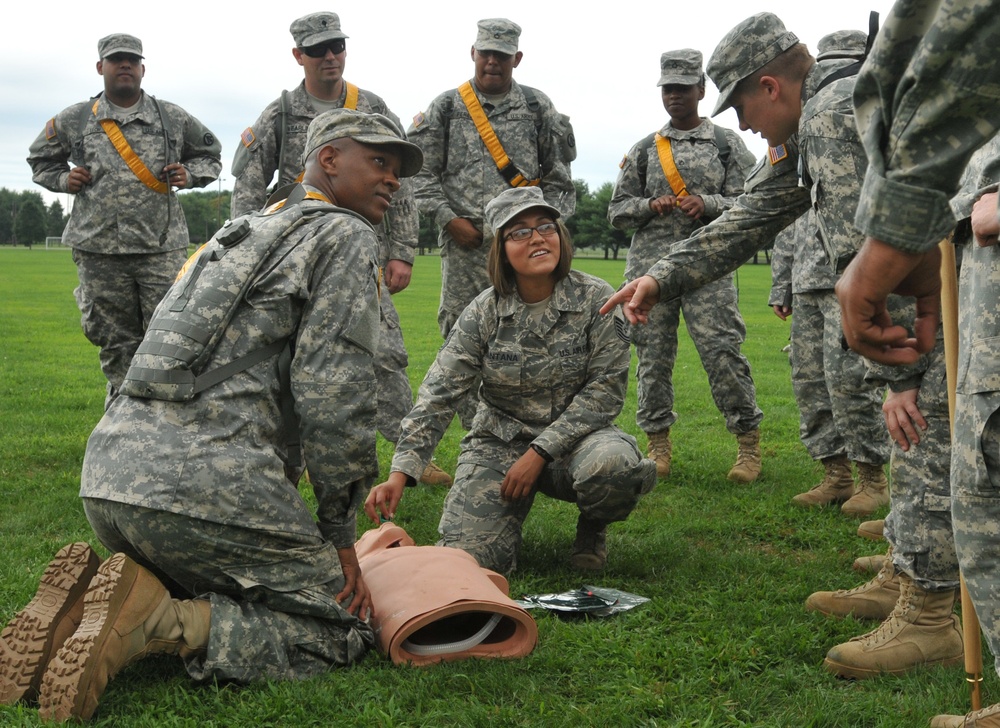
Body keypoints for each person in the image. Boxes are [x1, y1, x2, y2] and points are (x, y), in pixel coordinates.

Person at [0, 109, 424, 722]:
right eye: (380, 163)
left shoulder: (240, 231)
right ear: (328, 160)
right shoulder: (343, 234)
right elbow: (335, 396)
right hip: (202, 491)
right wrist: (339, 538)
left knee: (230, 576)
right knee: (342, 626)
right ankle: (159, 618)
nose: (393, 181)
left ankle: (93, 597)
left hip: (109, 479)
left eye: (399, 171)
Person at [600, 13, 890, 506]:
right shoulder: (809, 124)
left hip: (934, 301)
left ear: (771, 87)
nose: (742, 124)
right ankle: (916, 558)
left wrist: (899, 368)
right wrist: (659, 277)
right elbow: (751, 216)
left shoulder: (830, 115)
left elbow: (861, 249)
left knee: (930, 421)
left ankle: (921, 570)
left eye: (740, 105)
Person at [364, 186, 655, 574]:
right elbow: (438, 394)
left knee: (612, 467)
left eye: (545, 226)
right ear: (501, 248)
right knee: (468, 562)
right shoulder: (483, 311)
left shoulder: (596, 298)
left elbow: (604, 393)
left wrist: (540, 452)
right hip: (500, 444)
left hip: (578, 442)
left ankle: (592, 527)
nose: (536, 237)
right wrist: (401, 472)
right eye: (519, 231)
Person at [229, 12, 450, 487]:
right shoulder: (281, 113)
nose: (329, 56)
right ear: (298, 56)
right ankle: (298, 456)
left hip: (361, 252)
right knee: (290, 357)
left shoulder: (371, 106)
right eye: (317, 50)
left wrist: (402, 250)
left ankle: (409, 456)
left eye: (336, 47)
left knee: (386, 352)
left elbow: (401, 186)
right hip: (294, 255)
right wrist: (250, 250)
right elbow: (248, 186)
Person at [27, 33, 221, 407]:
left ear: (143, 68)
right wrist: (63, 179)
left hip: (159, 249)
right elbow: (40, 160)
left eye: (132, 59)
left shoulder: (172, 117)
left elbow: (211, 155)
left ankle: (166, 420)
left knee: (169, 339)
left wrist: (190, 175)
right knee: (115, 343)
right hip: (98, 250)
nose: (125, 66)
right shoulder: (75, 119)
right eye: (117, 60)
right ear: (101, 67)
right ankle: (121, 421)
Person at [407, 18, 577, 426]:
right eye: (485, 53)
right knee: (461, 336)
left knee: (530, 334)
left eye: (501, 56)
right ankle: (477, 432)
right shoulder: (447, 107)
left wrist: (542, 232)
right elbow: (419, 176)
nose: (492, 62)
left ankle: (531, 425)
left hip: (524, 246)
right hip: (465, 245)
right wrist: (449, 221)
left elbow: (559, 183)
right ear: (473, 53)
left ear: (516, 58)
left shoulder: (537, 108)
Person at [608, 49, 763, 483]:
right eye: (668, 89)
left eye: (682, 88)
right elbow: (617, 212)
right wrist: (647, 205)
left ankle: (747, 446)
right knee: (652, 359)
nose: (674, 96)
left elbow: (753, 203)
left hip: (709, 267)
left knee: (722, 354)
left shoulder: (726, 144)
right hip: (649, 271)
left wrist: (709, 203)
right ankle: (657, 446)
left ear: (701, 90)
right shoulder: (644, 150)